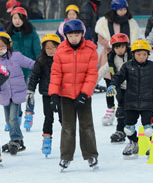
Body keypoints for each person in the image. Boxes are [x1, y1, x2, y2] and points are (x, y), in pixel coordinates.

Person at [107, 40, 153, 158]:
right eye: (139, 54)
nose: (142, 57)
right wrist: (112, 84)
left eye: (144, 54)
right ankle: (133, 143)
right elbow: (119, 76)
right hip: (131, 101)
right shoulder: (127, 66)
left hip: (147, 102)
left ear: (148, 54)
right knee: (128, 128)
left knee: (148, 128)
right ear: (133, 54)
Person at [48, 19, 99, 169]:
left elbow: (92, 74)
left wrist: (84, 94)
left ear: (82, 34)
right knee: (67, 127)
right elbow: (56, 74)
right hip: (66, 96)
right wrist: (54, 95)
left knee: (87, 126)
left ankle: (91, 155)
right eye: (70, 35)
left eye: (77, 34)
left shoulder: (90, 50)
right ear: (65, 36)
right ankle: (65, 157)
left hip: (84, 95)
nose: (74, 38)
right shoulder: (60, 51)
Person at [95, 0, 140, 126]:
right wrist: (111, 44)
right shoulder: (104, 22)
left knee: (125, 86)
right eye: (120, 10)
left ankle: (125, 109)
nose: (123, 12)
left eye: (125, 9)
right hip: (109, 56)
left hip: (126, 56)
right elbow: (100, 38)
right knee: (111, 84)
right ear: (114, 10)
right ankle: (110, 108)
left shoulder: (131, 22)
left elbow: (136, 37)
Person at [0, 32, 35, 155]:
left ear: (9, 45)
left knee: (13, 118)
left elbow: (31, 64)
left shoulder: (16, 56)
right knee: (8, 121)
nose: (0, 48)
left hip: (17, 92)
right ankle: (18, 140)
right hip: (4, 93)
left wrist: (42, 68)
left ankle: (15, 139)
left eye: (2, 45)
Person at [26, 33, 62, 157]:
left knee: (64, 119)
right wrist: (31, 90)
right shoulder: (41, 60)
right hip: (47, 93)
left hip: (62, 93)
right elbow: (35, 76)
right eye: (47, 48)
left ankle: (67, 141)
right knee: (48, 118)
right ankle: (47, 140)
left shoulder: (63, 59)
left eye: (53, 47)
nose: (50, 50)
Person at [6, 7, 41, 131]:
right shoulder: (8, 34)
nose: (17, 21)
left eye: (20, 18)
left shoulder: (32, 33)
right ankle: (16, 115)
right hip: (14, 70)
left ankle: (29, 114)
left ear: (24, 19)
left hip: (30, 68)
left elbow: (38, 51)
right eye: (15, 18)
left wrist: (39, 66)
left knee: (28, 93)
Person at [97, 33, 131, 142]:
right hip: (121, 88)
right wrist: (92, 83)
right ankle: (120, 131)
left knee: (143, 108)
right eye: (117, 47)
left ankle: (152, 127)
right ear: (113, 48)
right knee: (121, 110)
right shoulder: (112, 59)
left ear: (126, 46)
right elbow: (102, 70)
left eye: (122, 46)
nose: (120, 50)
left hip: (135, 87)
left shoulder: (133, 56)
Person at [79, 0, 106, 94]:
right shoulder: (86, 7)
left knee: (91, 64)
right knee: (87, 64)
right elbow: (85, 26)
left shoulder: (94, 6)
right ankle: (87, 85)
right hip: (87, 40)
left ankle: (91, 83)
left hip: (91, 38)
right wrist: (90, 41)